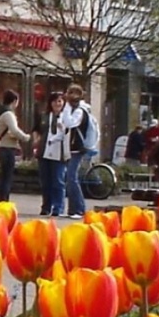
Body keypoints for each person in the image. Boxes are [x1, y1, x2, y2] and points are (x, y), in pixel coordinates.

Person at [60, 83, 91, 219]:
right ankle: (73, 209)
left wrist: (66, 106)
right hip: (72, 147)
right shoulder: (74, 109)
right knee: (70, 177)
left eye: (73, 93)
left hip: (78, 148)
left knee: (72, 177)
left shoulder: (80, 111)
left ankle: (79, 208)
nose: (71, 96)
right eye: (69, 93)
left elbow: (70, 123)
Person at [34, 91, 66, 217]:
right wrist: (36, 140)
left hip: (60, 153)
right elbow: (36, 129)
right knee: (45, 181)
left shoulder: (67, 117)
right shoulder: (44, 116)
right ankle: (46, 206)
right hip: (44, 152)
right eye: (54, 101)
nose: (57, 104)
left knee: (58, 180)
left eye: (59, 101)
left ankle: (58, 207)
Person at [0, 89, 30, 202]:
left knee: (3, 176)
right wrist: (25, 137)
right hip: (8, 148)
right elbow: (14, 130)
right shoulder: (8, 114)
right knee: (7, 177)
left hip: (1, 146)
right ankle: (3, 200)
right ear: (15, 101)